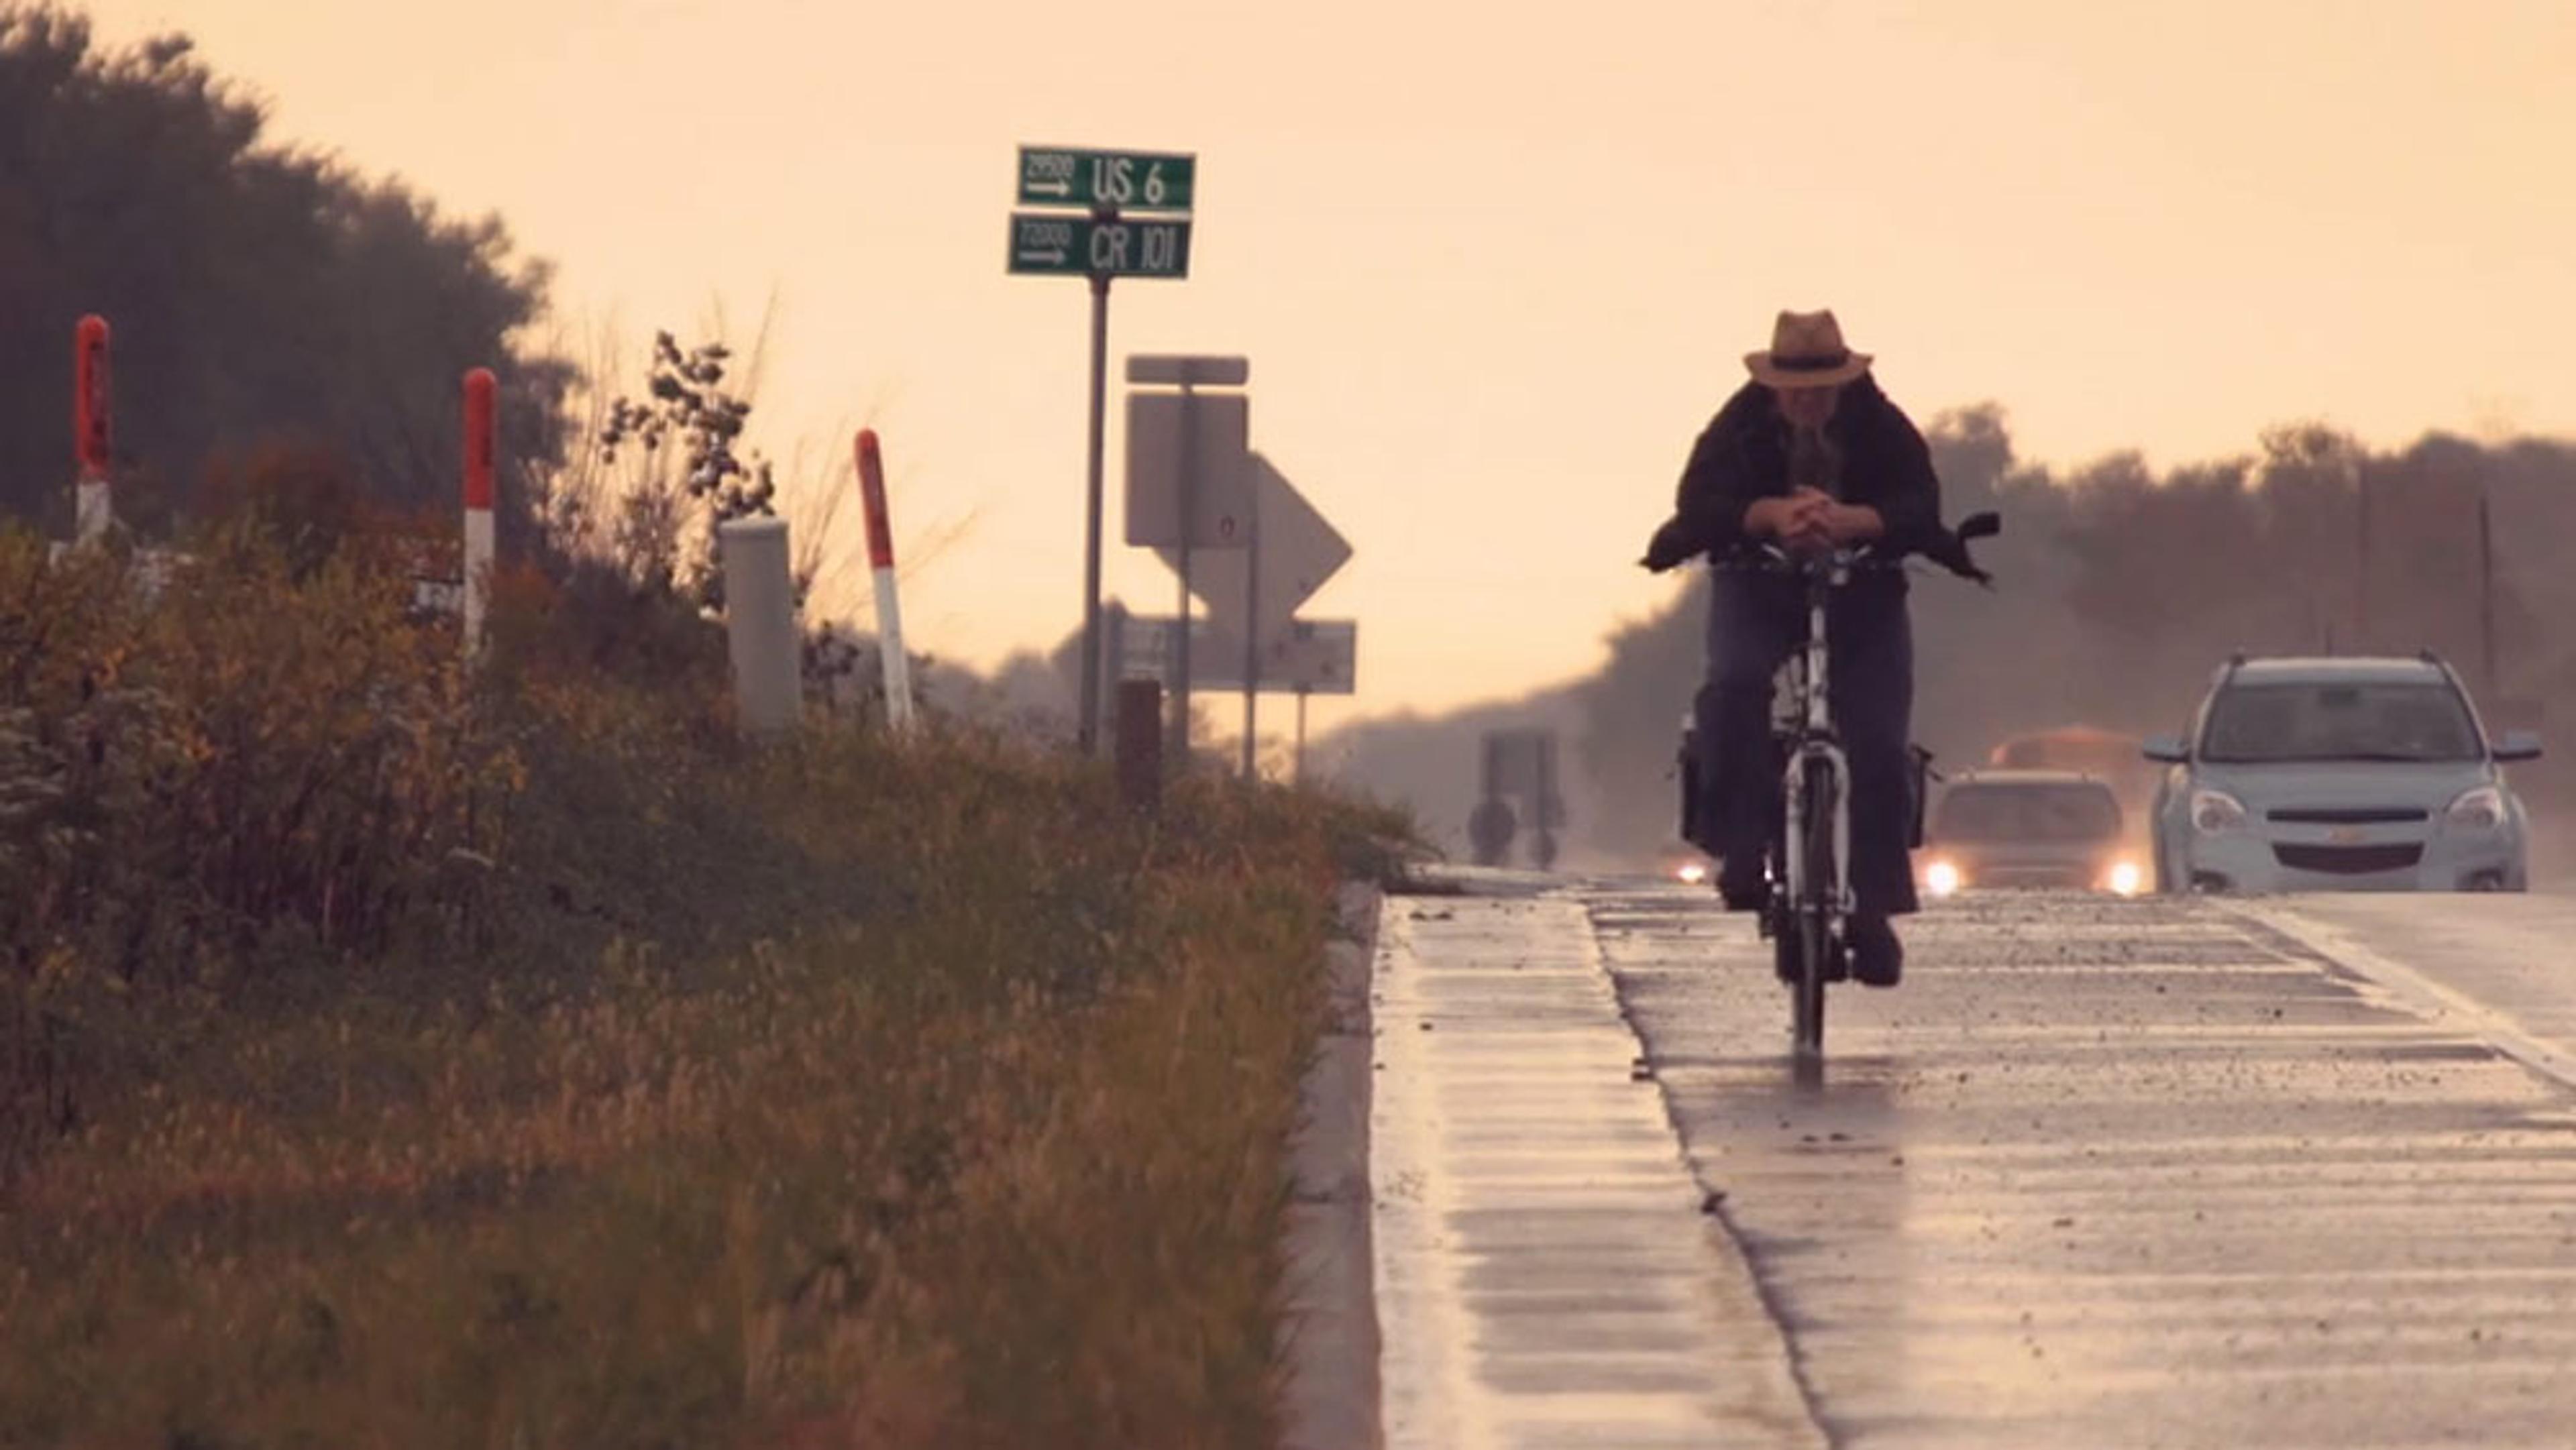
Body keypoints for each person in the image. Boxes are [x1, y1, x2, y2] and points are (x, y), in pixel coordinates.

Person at [1639, 309, 1942, 987]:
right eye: (1795, 387)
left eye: (1822, 386)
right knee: (1735, 687)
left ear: (1845, 381)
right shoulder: (1738, 424)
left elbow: (1921, 502)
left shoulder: (1882, 425)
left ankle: (1874, 910)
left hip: (1863, 590)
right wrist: (1771, 514)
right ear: (1773, 384)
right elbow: (1698, 502)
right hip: (1757, 582)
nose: (1808, 399)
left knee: (1878, 739)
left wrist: (1853, 521)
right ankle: (1741, 849)